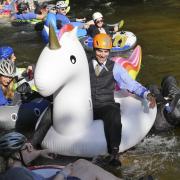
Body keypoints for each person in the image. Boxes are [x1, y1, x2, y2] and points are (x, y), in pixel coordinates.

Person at [88, 33, 156, 166]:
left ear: (109, 51)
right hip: (87, 105)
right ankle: (36, 143)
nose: (102, 55)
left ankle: (114, 154)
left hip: (105, 104)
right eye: (99, 51)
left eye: (106, 51)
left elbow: (130, 83)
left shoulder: (115, 68)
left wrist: (147, 94)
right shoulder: (84, 64)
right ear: (94, 50)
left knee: (114, 113)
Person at [0, 131, 122, 180]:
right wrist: (63, 173)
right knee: (87, 167)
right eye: (28, 147)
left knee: (80, 163)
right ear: (16, 154)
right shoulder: (17, 173)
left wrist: (40, 152)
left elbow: (26, 156)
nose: (31, 149)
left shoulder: (13, 171)